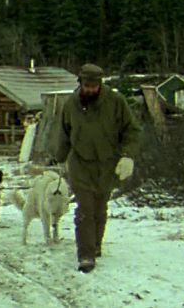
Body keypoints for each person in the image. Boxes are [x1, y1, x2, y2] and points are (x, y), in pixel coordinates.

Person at [54, 63, 140, 273]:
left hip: (108, 165)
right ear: (81, 83)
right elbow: (64, 133)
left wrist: (127, 156)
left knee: (100, 209)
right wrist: (58, 158)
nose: (90, 89)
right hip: (80, 164)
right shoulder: (71, 104)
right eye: (87, 85)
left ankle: (95, 246)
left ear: (100, 84)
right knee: (85, 209)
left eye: (94, 86)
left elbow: (132, 130)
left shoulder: (115, 102)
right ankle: (86, 254)